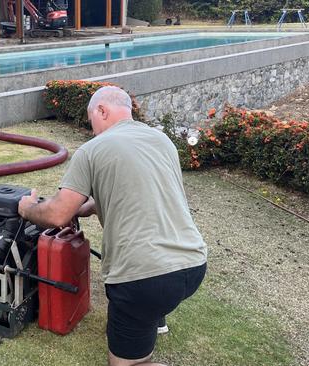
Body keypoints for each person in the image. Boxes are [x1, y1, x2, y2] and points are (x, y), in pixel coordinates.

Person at [18, 86, 207, 366]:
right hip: (193, 264)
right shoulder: (161, 140)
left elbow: (57, 214)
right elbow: (142, 191)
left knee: (126, 364)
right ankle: (154, 317)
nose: (91, 128)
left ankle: (147, 321)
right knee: (153, 300)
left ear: (102, 111)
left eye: (91, 119)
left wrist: (27, 208)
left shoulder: (93, 149)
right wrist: (91, 206)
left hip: (144, 279)